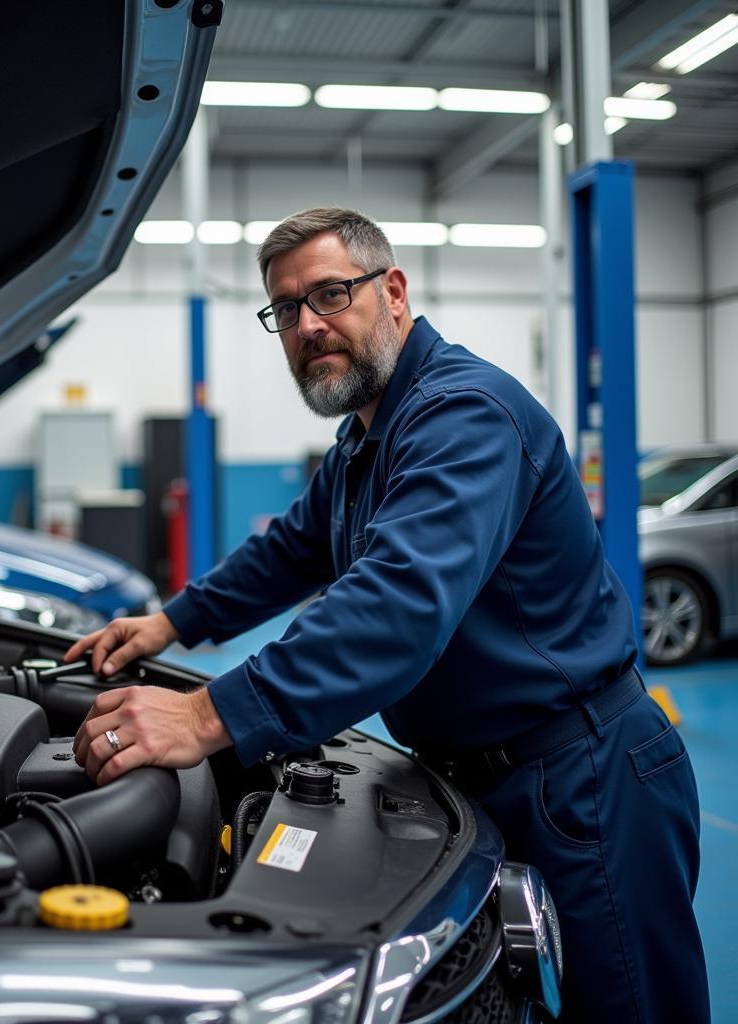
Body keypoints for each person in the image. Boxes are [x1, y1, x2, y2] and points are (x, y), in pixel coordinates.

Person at [66, 207, 709, 1024]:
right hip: (488, 778)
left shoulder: (465, 416)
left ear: (394, 291)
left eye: (330, 294)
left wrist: (206, 714)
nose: (308, 325)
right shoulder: (366, 439)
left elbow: (396, 609)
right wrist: (171, 623)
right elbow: (296, 548)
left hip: (584, 777)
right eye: (286, 310)